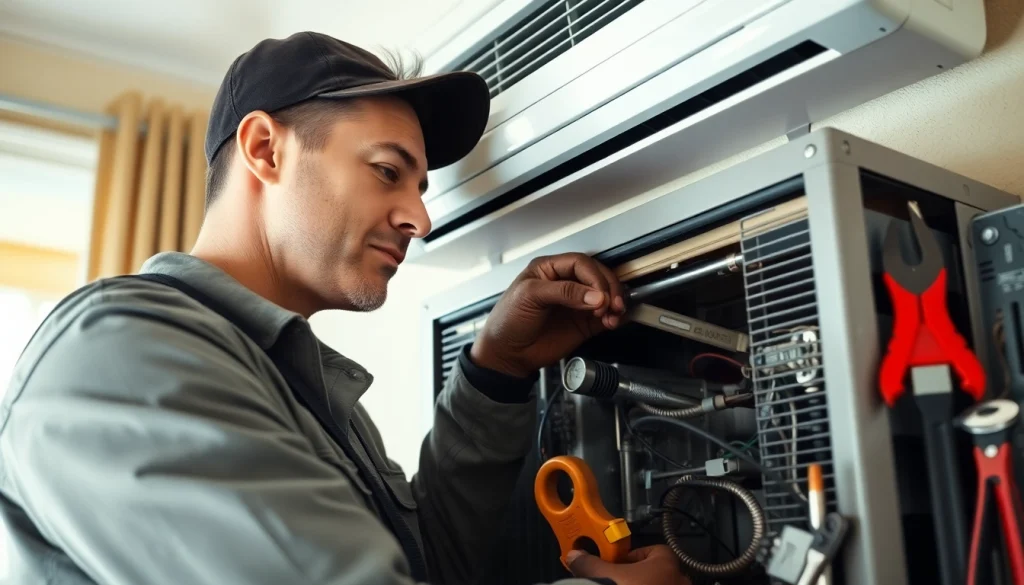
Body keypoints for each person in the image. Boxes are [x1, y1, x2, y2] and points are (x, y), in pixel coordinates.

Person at [0, 32, 691, 585]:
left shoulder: (294, 381)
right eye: (388, 171)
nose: (419, 218)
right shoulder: (121, 352)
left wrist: (496, 366)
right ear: (265, 149)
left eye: (420, 186)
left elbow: (429, 564)